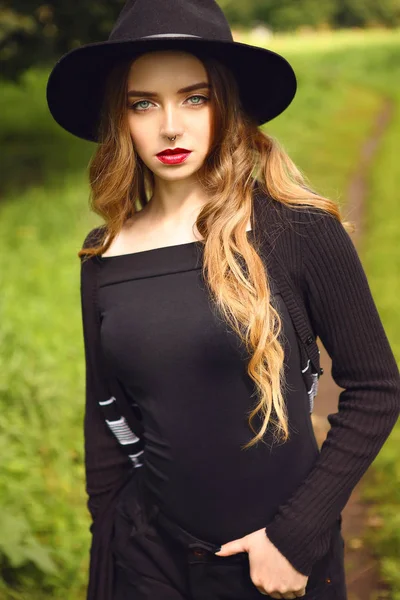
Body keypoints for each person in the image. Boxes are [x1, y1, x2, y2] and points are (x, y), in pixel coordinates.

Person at [46, 1, 400, 599]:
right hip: (147, 560)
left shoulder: (296, 230)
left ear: (226, 105)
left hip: (272, 565)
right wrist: (106, 539)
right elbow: (104, 415)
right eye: (143, 103)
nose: (170, 127)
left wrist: (297, 536)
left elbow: (377, 389)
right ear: (120, 118)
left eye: (194, 97)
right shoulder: (103, 253)